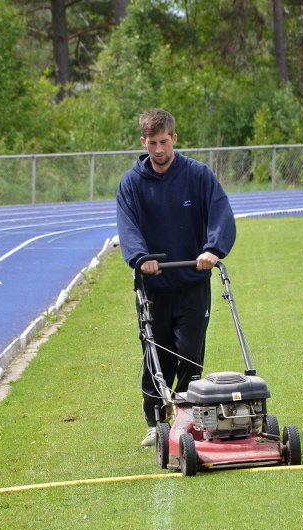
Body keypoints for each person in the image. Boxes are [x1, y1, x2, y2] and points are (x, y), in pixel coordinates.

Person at [116, 109, 237, 447]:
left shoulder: (197, 175)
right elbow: (127, 226)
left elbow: (220, 212)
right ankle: (157, 422)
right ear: (143, 142)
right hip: (153, 287)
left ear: (174, 139)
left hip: (192, 282)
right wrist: (141, 259)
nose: (158, 149)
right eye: (152, 143)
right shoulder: (132, 183)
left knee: (189, 352)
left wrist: (212, 250)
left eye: (164, 141)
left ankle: (187, 419)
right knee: (157, 354)